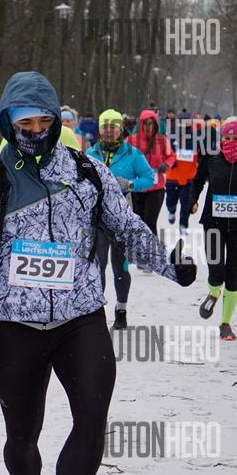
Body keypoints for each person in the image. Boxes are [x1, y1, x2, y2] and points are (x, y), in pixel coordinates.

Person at [0, 71, 196, 475]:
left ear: (55, 119)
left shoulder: (88, 172)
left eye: (44, 121)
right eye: (25, 123)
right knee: (21, 439)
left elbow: (127, 228)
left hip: (81, 320)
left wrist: (170, 266)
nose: (36, 131)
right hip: (18, 326)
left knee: (91, 423)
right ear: (9, 123)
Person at [86, 109, 154, 329]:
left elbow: (149, 178)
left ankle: (121, 310)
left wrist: (131, 184)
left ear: (120, 129)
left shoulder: (133, 154)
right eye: (104, 127)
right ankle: (97, 311)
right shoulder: (90, 153)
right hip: (97, 219)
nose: (108, 131)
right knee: (97, 266)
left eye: (113, 127)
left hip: (121, 221)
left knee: (120, 267)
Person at [191, 119, 237, 340]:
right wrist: (193, 200)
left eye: (236, 138)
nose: (231, 141)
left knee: (233, 276)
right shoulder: (211, 157)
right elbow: (198, 180)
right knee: (216, 272)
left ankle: (225, 323)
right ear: (221, 138)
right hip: (213, 223)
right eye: (227, 138)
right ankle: (214, 291)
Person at [127, 109, 176, 268]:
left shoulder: (161, 140)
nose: (148, 127)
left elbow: (171, 156)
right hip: (137, 188)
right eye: (145, 124)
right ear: (140, 124)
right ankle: (141, 256)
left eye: (151, 124)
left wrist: (166, 165)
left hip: (156, 188)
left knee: (150, 222)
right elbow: (123, 158)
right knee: (138, 222)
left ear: (156, 125)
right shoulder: (131, 140)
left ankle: (151, 257)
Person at [165, 111, 199, 236]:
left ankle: (183, 225)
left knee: (186, 203)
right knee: (170, 201)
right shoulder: (171, 136)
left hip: (188, 176)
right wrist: (170, 160)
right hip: (172, 176)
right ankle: (171, 210)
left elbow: (199, 155)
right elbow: (165, 153)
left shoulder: (195, 138)